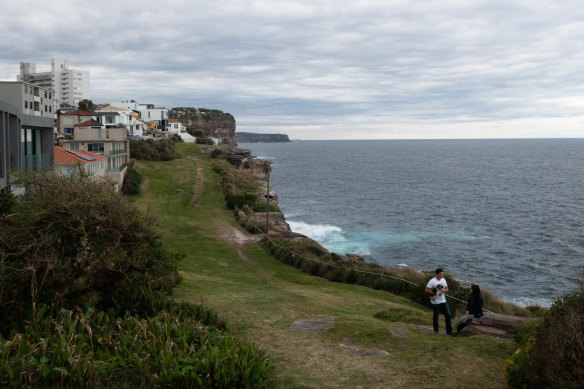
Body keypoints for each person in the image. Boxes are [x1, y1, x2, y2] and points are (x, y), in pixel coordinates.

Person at [425, 268, 453, 335]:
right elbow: (426, 290)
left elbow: (447, 288)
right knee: (436, 316)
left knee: (448, 314)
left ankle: (449, 332)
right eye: (440, 274)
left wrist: (443, 290)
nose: (441, 276)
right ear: (436, 274)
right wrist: (434, 292)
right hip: (435, 301)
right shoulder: (432, 281)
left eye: (442, 274)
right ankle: (436, 331)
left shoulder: (443, 280)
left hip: (443, 300)